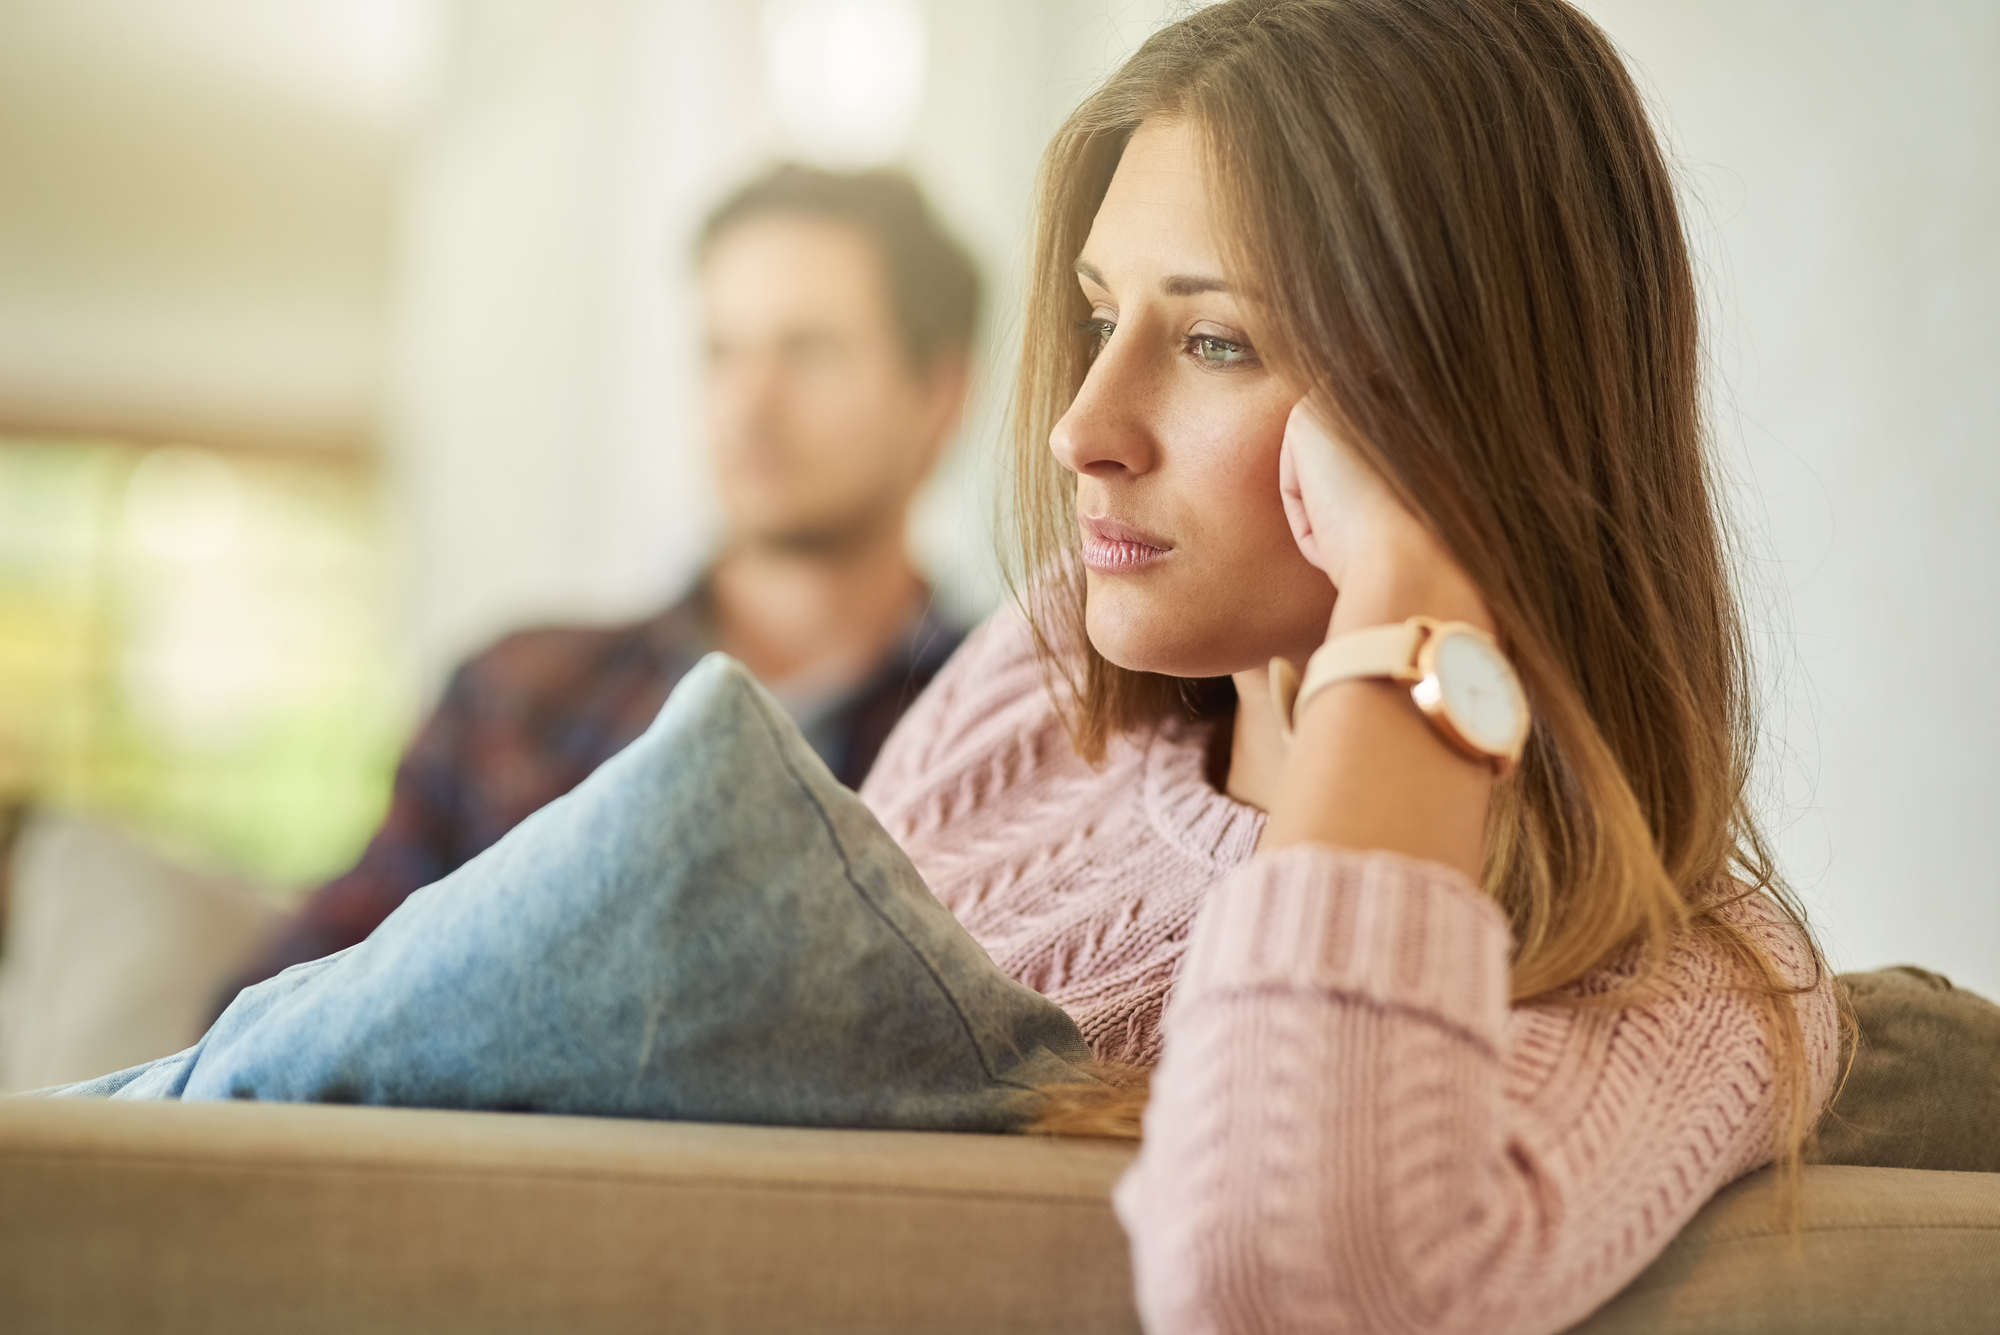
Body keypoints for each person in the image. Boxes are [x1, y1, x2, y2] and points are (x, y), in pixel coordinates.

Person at [118, 1, 1839, 1330]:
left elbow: (1287, 1283)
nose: (1086, 427)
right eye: (1103, 316)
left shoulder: (1693, 993)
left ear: (1459, 412)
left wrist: (1412, 636)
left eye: (1219, 338)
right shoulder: (1033, 699)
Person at [223, 165, 980, 995]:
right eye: (721, 352)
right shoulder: (515, 698)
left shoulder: (1020, 731)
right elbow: (278, 1012)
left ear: (938, 395)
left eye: (809, 352)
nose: (749, 402)